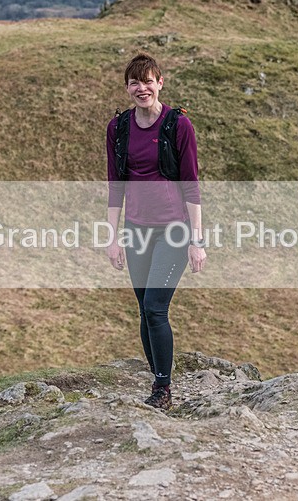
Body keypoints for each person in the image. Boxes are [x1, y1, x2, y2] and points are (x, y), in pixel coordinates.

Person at [105, 52, 206, 410]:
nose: (142, 88)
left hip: (174, 229)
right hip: (136, 229)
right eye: (135, 82)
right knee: (143, 309)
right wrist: (112, 237)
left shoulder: (178, 125)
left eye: (148, 81)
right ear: (127, 88)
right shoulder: (118, 128)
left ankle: (163, 389)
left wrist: (197, 240)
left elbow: (191, 184)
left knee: (155, 306)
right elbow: (115, 185)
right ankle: (156, 379)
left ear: (160, 83)